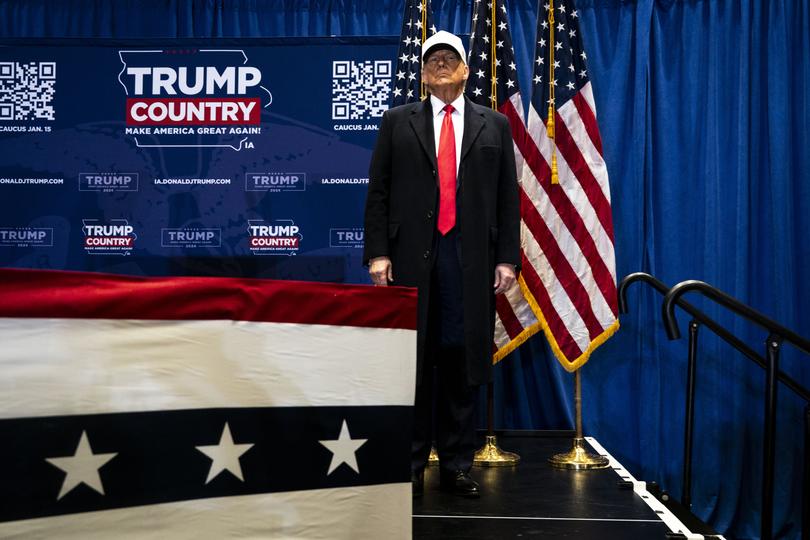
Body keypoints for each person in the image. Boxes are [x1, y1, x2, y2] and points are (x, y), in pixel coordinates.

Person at [363, 30, 520, 498]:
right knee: (414, 362)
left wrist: (507, 258)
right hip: (411, 257)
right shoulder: (397, 121)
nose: (441, 66)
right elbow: (379, 192)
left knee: (460, 362)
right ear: (422, 72)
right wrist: (378, 252)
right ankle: (410, 462)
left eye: (450, 59)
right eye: (433, 60)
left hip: (469, 260)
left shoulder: (495, 125)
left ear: (467, 69)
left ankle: (455, 464)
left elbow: (508, 198)